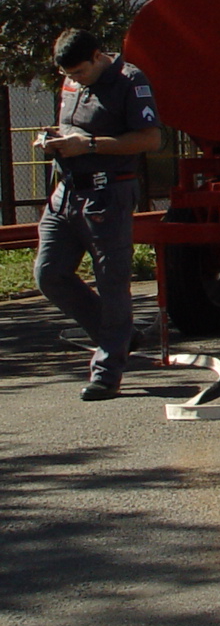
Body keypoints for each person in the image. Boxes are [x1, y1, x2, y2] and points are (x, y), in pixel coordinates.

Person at [32, 29, 162, 401]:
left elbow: (151, 139)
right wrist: (54, 139)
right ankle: (120, 337)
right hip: (66, 192)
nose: (74, 79)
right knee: (49, 274)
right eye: (67, 75)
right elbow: (73, 126)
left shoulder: (129, 80)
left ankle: (108, 371)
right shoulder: (72, 82)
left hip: (108, 194)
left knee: (111, 281)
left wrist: (87, 144)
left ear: (97, 56)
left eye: (80, 72)